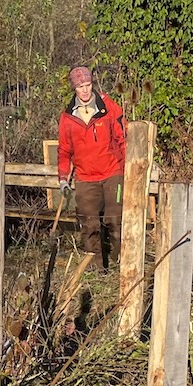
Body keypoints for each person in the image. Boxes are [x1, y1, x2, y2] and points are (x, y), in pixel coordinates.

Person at [56, 65, 127, 270]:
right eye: (80, 87)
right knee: (90, 226)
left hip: (112, 173)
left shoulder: (108, 107)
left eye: (88, 85)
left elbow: (122, 139)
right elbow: (64, 150)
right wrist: (62, 178)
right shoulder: (67, 118)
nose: (85, 90)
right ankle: (97, 269)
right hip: (85, 178)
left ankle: (119, 262)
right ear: (74, 89)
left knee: (115, 221)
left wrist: (126, 168)